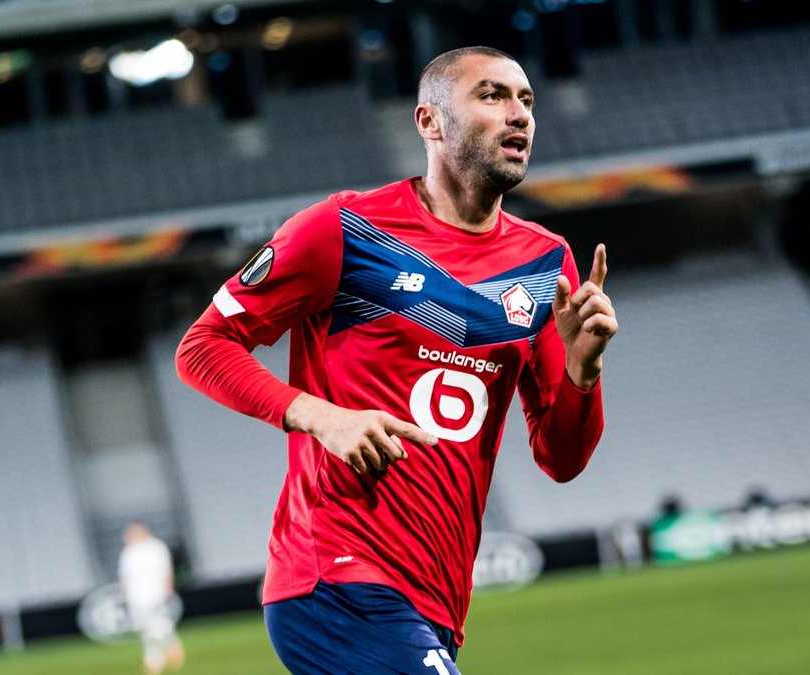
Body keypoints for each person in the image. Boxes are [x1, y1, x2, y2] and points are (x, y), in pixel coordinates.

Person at [176, 45, 616, 673]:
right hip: (335, 578)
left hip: (435, 598)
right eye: (491, 95)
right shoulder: (343, 229)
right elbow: (202, 347)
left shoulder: (548, 262)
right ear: (429, 121)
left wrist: (583, 373)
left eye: (526, 100)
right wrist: (322, 417)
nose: (519, 113)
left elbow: (561, 458)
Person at [118, 524, 184, 675]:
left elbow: (166, 569)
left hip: (155, 592)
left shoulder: (156, 547)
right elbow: (125, 576)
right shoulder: (128, 552)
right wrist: (126, 594)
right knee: (147, 626)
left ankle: (155, 658)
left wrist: (167, 587)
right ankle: (169, 649)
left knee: (156, 624)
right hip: (136, 595)